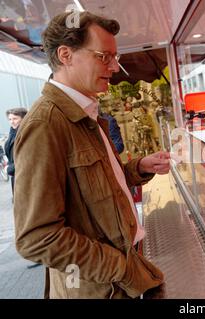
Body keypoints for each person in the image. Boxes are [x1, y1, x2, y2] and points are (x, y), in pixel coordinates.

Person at [13, 11, 170, 299]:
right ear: (65, 55)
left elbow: (100, 183)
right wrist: (119, 267)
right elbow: (37, 238)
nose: (114, 67)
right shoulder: (45, 124)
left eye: (115, 57)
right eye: (103, 56)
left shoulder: (86, 112)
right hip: (101, 289)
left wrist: (139, 167)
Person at [4, 107, 28, 196]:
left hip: (25, 177)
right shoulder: (13, 133)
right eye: (10, 119)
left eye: (15, 118)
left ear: (23, 119)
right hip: (16, 177)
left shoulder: (25, 133)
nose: (12, 122)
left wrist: (10, 168)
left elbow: (27, 158)